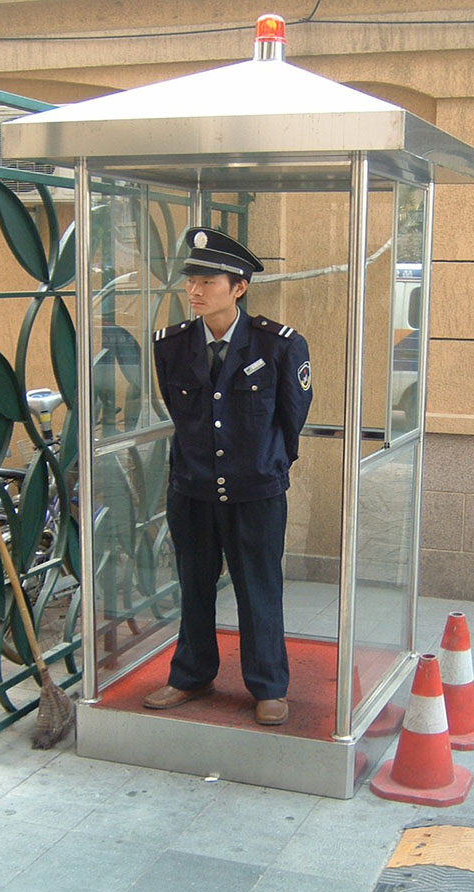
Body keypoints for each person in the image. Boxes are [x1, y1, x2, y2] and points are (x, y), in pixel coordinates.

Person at [143, 227, 313, 726]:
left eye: (207, 280)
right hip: (192, 487)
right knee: (193, 584)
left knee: (259, 587)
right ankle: (191, 674)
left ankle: (268, 685)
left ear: (239, 287)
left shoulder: (279, 345)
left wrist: (263, 465)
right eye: (190, 279)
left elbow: (291, 418)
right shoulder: (171, 345)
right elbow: (181, 414)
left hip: (254, 490)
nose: (194, 290)